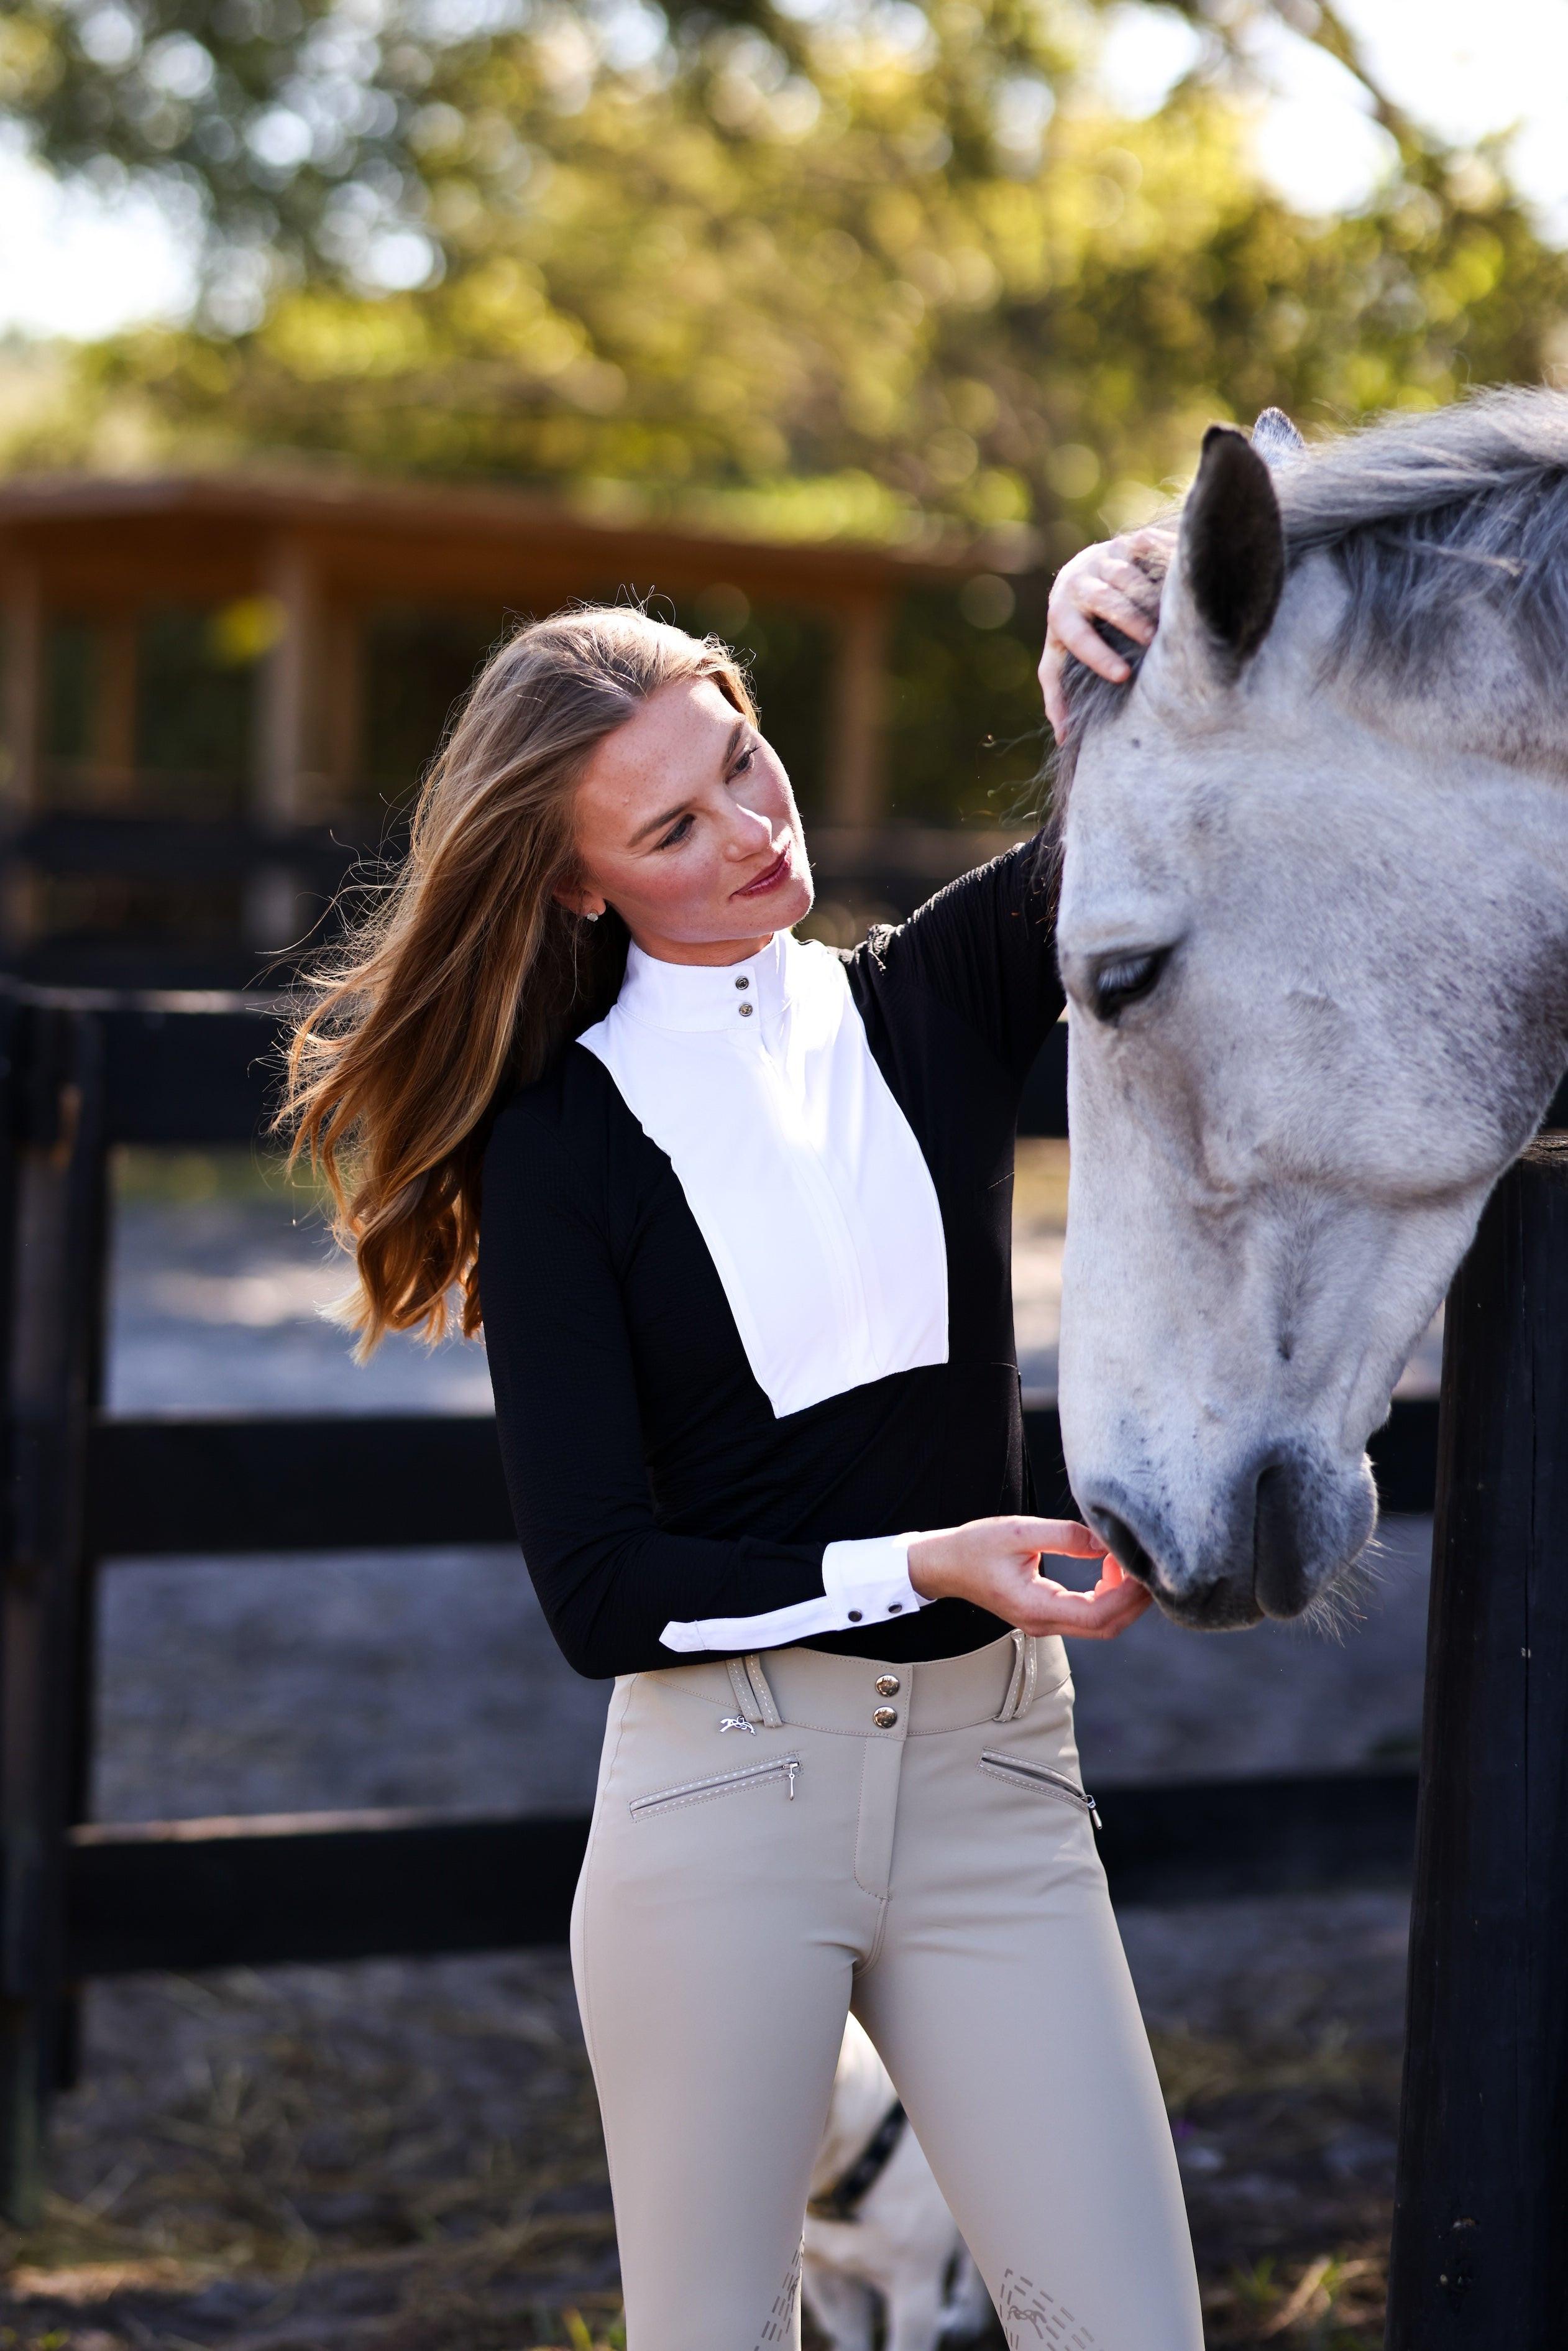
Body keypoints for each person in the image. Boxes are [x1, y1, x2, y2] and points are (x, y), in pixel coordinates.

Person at [281, 536, 1191, 2350]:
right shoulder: (558, 1147)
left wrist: (1091, 631)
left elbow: (1147, 821)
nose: (751, 835)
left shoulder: (930, 999)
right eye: (671, 832)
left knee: (1132, 2331)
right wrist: (921, 1565)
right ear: (573, 884)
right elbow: (601, 1590)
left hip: (994, 1783)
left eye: (742, 769)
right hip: (723, 1807)